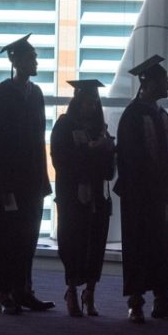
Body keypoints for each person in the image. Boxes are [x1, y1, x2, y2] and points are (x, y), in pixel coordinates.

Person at [114, 55, 168, 323]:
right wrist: (153, 190)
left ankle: (162, 301)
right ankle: (135, 303)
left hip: (164, 197)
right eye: (165, 80)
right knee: (139, 248)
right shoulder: (133, 115)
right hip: (140, 199)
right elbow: (130, 160)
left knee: (164, 249)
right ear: (150, 83)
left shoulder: (161, 115)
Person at [0, 34, 55, 314]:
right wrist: (2, 185)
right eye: (31, 58)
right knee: (4, 238)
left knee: (27, 237)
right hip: (7, 182)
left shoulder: (36, 94)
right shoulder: (0, 94)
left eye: (35, 57)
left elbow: (39, 140)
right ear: (16, 62)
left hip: (32, 181)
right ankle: (3, 293)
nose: (36, 61)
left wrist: (42, 181)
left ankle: (24, 290)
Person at [50, 79, 115, 317]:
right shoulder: (64, 125)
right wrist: (87, 153)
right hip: (72, 196)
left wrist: (107, 150)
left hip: (97, 195)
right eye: (87, 102)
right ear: (77, 101)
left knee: (96, 244)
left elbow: (109, 171)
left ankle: (90, 292)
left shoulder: (101, 128)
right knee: (73, 244)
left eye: (94, 103)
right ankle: (71, 291)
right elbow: (59, 161)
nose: (91, 107)